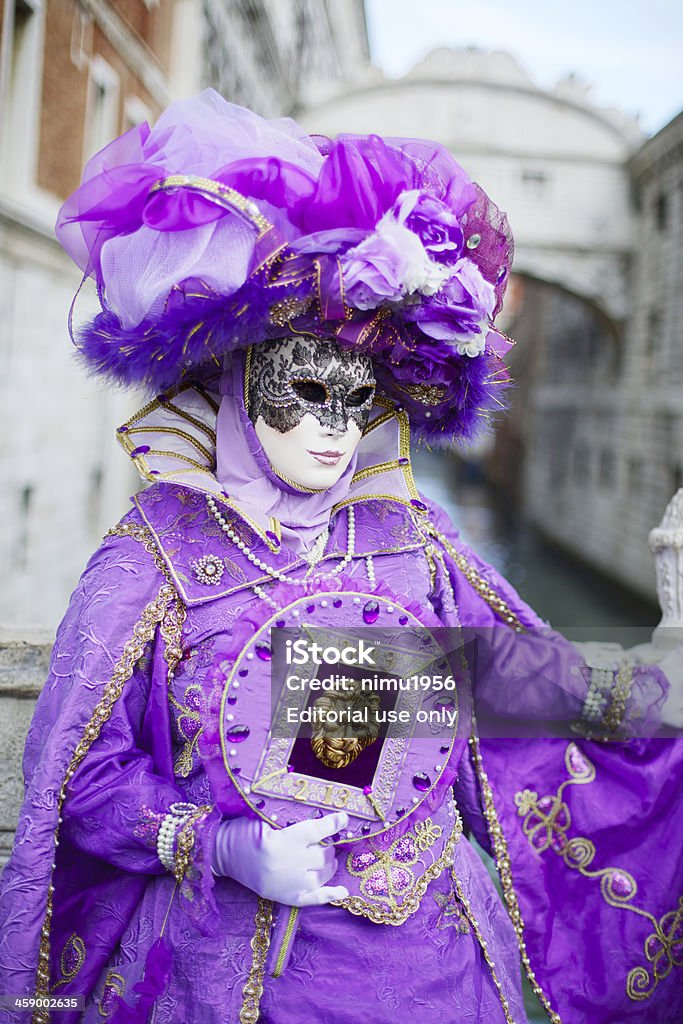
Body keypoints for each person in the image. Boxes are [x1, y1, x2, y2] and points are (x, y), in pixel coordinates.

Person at [0, 90, 681, 1024]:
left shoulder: (404, 536)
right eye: (306, 392)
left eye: (356, 402)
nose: (333, 429)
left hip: (442, 963)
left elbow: (501, 676)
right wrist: (216, 845)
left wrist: (656, 699)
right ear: (237, 381)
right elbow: (80, 771)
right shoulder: (153, 559)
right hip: (240, 975)